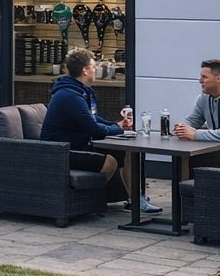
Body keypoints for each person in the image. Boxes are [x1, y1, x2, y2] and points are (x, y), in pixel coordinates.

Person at [40, 47, 156, 213]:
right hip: (62, 151)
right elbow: (93, 129)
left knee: (126, 151)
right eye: (94, 66)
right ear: (85, 70)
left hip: (79, 145)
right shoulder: (70, 96)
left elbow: (92, 119)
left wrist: (117, 124)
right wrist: (118, 129)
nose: (96, 69)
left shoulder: (80, 91)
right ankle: (90, 202)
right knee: (110, 162)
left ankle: (136, 201)